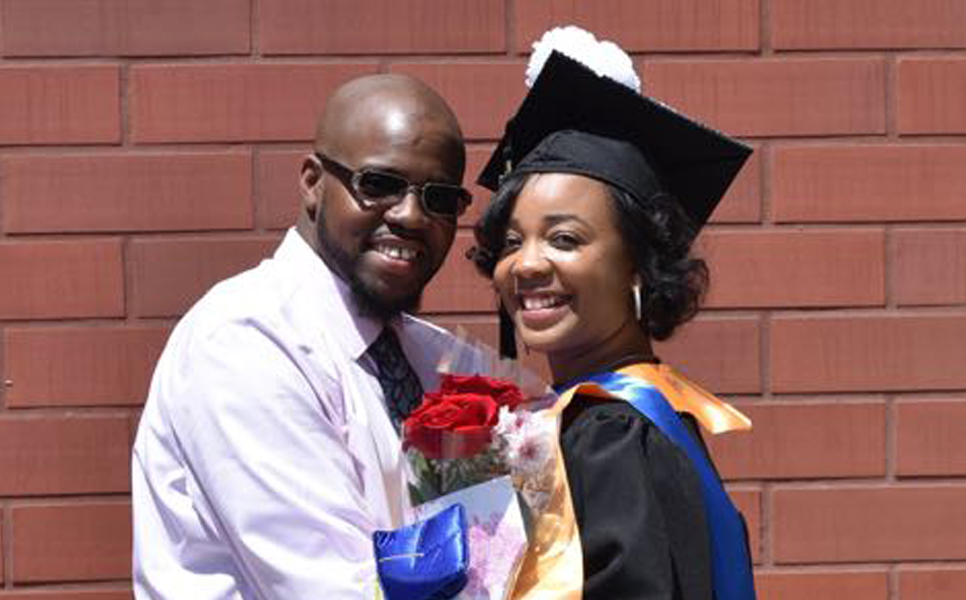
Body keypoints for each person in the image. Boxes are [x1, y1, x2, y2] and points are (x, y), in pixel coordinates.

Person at [131, 73, 481, 599]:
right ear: (313, 182)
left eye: (439, 198)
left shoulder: (437, 359)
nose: (411, 215)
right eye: (379, 184)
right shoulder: (245, 344)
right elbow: (331, 589)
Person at [467, 28, 758, 600]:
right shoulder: (660, 409)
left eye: (564, 239)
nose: (525, 265)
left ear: (638, 267)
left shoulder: (608, 429)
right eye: (510, 241)